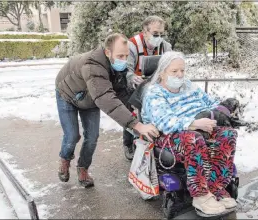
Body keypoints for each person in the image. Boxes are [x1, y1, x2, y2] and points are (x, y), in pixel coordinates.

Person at [55, 33, 159, 188]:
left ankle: (83, 168)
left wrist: (134, 121)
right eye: (119, 55)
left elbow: (121, 96)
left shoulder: (119, 67)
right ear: (107, 52)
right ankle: (64, 159)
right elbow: (105, 98)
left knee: (92, 136)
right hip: (68, 94)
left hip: (90, 99)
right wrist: (136, 125)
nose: (123, 60)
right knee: (72, 136)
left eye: (125, 55)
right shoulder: (92, 65)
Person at [141, 51, 238, 216]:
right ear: (163, 73)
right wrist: (193, 124)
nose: (179, 75)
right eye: (174, 71)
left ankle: (216, 188)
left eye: (182, 70)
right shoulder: (154, 93)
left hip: (200, 128)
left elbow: (211, 102)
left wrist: (221, 111)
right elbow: (165, 122)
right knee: (193, 139)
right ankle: (200, 196)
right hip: (168, 136)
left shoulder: (189, 86)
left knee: (228, 134)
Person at [122, 15, 172, 160]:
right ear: (145, 32)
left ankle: (156, 144)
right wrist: (132, 78)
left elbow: (171, 66)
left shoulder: (165, 47)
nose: (159, 38)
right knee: (131, 115)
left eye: (162, 34)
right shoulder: (132, 45)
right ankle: (128, 143)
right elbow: (127, 69)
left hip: (156, 87)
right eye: (156, 34)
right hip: (134, 87)